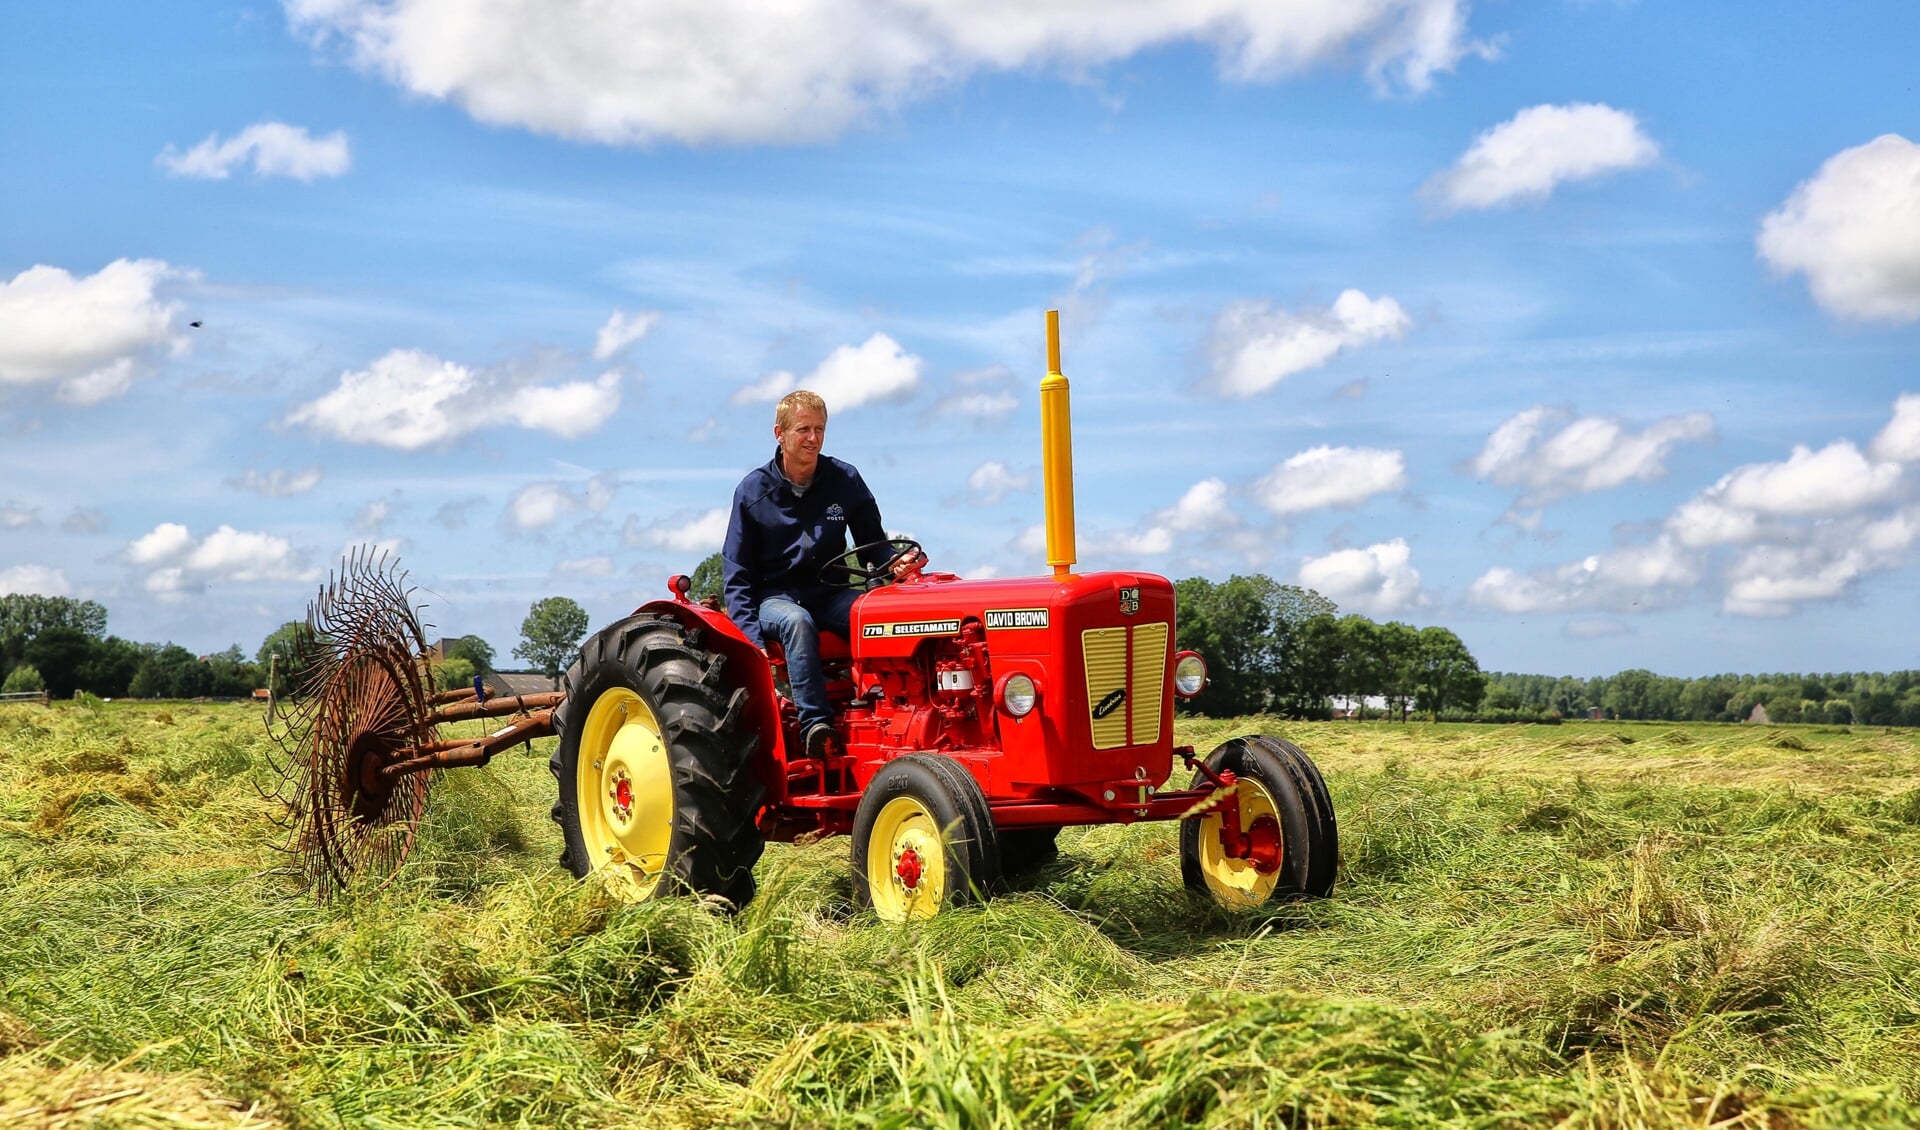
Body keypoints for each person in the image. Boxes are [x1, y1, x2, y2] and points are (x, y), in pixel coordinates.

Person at [722, 389, 912, 757]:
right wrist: (753, 645)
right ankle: (817, 727)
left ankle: (890, 710)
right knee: (797, 621)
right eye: (803, 429)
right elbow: (737, 575)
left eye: (819, 430)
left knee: (873, 614)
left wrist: (895, 563)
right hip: (776, 598)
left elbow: (874, 545)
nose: (813, 439)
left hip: (830, 592)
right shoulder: (752, 492)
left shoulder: (844, 479)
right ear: (780, 433)